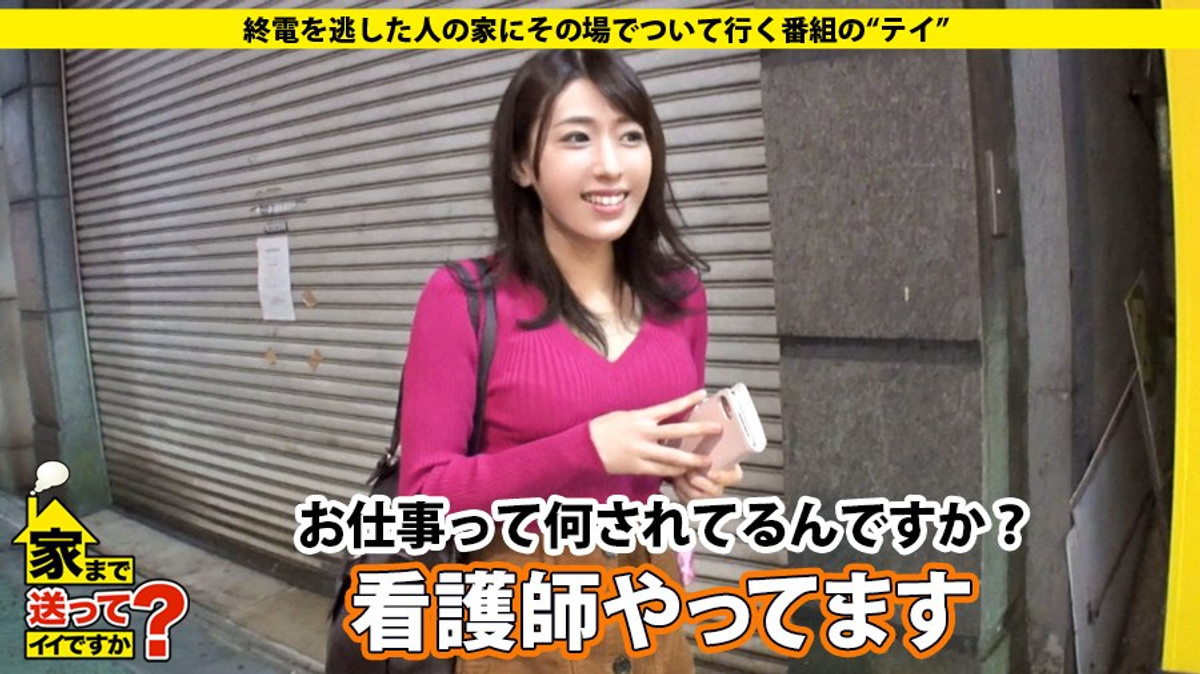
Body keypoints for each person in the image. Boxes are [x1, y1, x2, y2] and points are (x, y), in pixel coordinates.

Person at [398, 50, 744, 674]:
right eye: (577, 138)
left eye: (630, 136)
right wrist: (583, 449)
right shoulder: (462, 299)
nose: (611, 165)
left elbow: (653, 460)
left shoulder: (682, 295)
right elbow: (420, 500)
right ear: (521, 163)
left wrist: (687, 475)